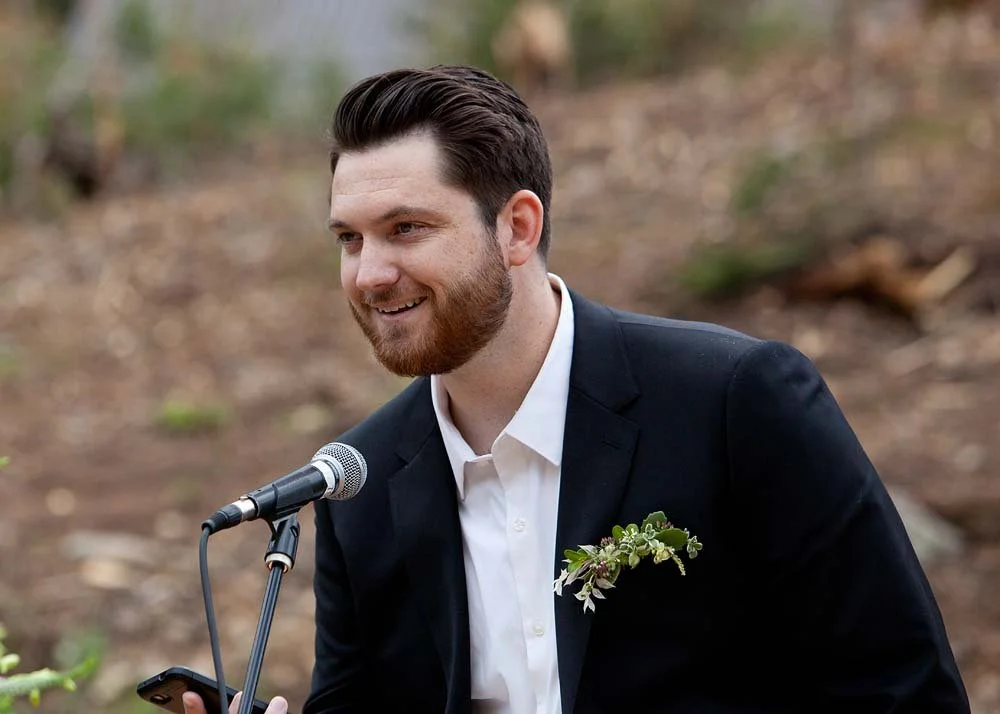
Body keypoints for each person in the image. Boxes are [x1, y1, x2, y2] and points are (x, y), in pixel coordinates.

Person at [185, 65, 971, 714]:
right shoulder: (361, 477)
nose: (369, 273)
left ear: (517, 228)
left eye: (406, 229)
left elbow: (903, 687)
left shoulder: (735, 401)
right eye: (348, 239)